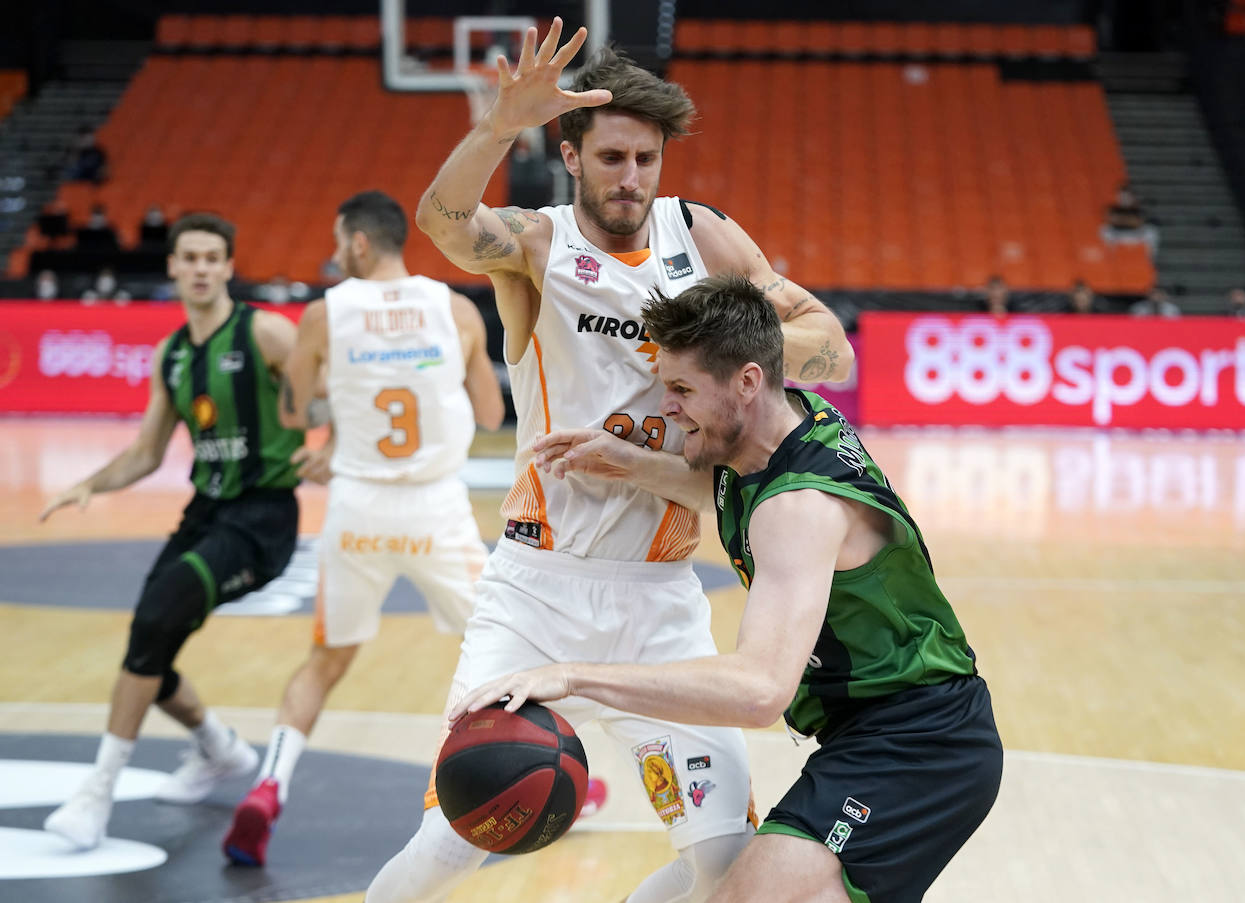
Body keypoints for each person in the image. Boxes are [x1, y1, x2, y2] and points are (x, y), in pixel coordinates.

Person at [368, 19, 853, 903]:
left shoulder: (702, 239)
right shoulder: (537, 244)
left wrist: (709, 342)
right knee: (452, 839)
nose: (631, 177)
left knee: (723, 861)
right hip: (534, 592)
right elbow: (443, 224)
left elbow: (833, 350)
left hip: (661, 599)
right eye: (612, 158)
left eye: (646, 159)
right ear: (571, 156)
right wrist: (495, 126)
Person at [458, 273, 1002, 903]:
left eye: (683, 389)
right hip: (884, 736)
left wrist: (571, 675)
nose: (667, 407)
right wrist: (627, 463)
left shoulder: (798, 509)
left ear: (746, 381)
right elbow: (725, 491)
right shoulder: (790, 423)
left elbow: (759, 691)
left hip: (921, 748)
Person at [221, 190, 505, 866]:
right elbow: (492, 414)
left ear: (356, 242)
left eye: (336, 240)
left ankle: (269, 785)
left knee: (325, 661)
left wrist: (340, 409)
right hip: (435, 507)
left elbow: (294, 413)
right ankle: (520, 784)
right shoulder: (457, 309)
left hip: (358, 509)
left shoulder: (325, 314)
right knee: (501, 651)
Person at [38, 213, 322, 851]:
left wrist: (331, 447)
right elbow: (146, 453)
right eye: (188, 257)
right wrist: (89, 485)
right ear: (171, 266)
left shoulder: (266, 332)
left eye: (211, 258)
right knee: (150, 639)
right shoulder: (171, 354)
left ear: (227, 267)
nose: (199, 268)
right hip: (205, 512)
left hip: (263, 518)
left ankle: (96, 796)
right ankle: (218, 747)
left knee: (155, 620)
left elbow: (329, 391)